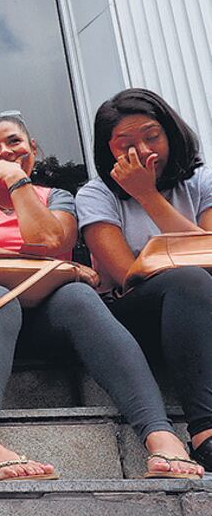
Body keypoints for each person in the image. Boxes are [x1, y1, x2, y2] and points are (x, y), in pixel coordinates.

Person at [0, 111, 203, 481]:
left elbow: (51, 241)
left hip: (37, 322)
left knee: (78, 296)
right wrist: (56, 265)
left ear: (33, 149)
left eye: (14, 142)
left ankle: (160, 434)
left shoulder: (57, 198)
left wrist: (18, 182)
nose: (4, 151)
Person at [76, 88, 212, 470]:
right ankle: (205, 432)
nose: (143, 151)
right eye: (126, 145)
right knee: (188, 280)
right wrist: (142, 193)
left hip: (203, 309)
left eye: (152, 137)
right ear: (109, 150)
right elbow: (127, 276)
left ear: (170, 132)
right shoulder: (95, 195)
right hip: (136, 314)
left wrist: (149, 196)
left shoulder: (200, 182)